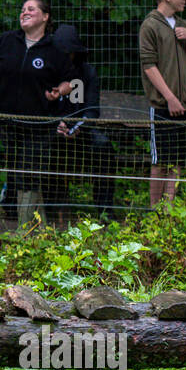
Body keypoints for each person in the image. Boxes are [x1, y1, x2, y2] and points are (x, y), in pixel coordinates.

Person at [0, 0, 72, 223]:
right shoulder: (7, 40)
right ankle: (33, 221)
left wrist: (59, 92)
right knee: (15, 168)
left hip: (39, 123)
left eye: (31, 9)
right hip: (6, 119)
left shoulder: (55, 48)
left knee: (30, 169)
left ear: (45, 16)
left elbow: (69, 81)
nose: (24, 13)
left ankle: (25, 225)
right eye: (22, 10)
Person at [139, 0, 186, 206]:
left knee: (177, 161)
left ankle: (170, 211)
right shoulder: (150, 25)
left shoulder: (184, 26)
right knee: (160, 161)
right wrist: (170, 98)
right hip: (163, 105)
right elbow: (149, 66)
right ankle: (155, 213)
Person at [47, 24, 116, 223]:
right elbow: (38, 106)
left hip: (81, 133)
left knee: (103, 146)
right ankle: (51, 211)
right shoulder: (45, 70)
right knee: (45, 148)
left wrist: (77, 128)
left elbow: (92, 110)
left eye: (68, 53)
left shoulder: (87, 73)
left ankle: (105, 210)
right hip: (50, 131)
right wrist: (55, 125)